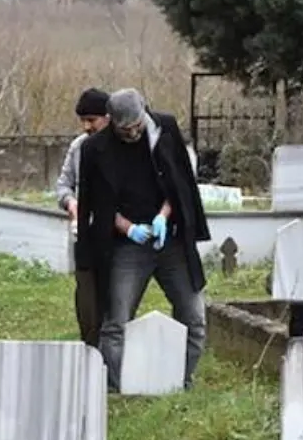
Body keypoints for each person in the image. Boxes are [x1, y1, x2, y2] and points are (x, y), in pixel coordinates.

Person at [75, 88, 210, 392]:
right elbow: (95, 205)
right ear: (112, 123)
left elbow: (180, 183)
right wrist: (128, 228)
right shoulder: (95, 149)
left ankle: (181, 382)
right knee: (116, 322)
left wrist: (164, 215)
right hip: (127, 246)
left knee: (194, 317)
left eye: (136, 126)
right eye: (125, 130)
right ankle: (118, 387)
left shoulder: (164, 128)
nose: (133, 133)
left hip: (169, 241)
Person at [54, 87, 111, 346]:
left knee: (112, 296)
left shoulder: (118, 146)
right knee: (87, 295)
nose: (87, 126)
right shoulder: (79, 146)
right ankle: (89, 342)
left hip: (114, 234)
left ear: (108, 117)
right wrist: (71, 202)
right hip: (84, 234)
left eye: (92, 120)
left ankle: (110, 347)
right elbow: (63, 184)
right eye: (83, 121)